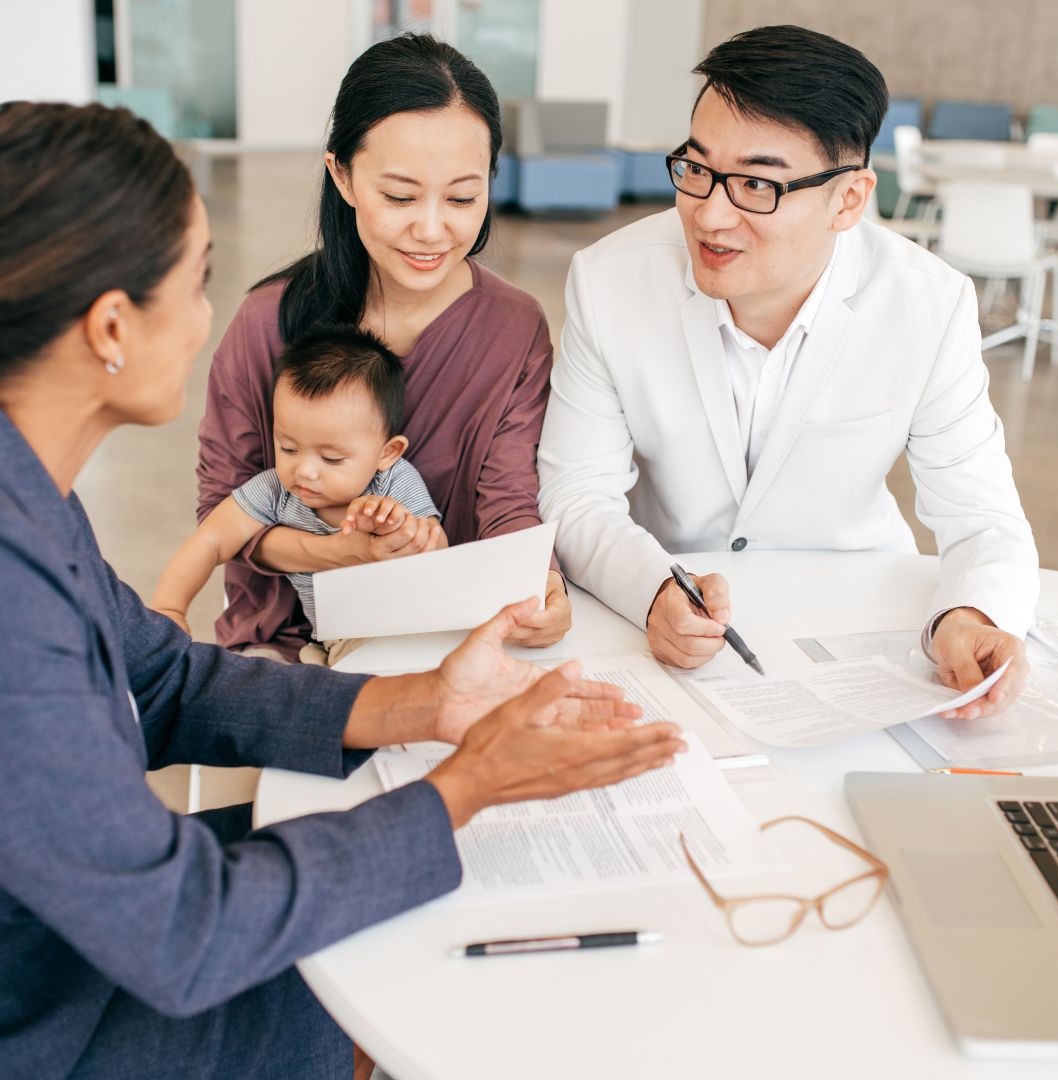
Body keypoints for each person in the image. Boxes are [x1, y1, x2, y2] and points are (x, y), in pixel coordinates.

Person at [0, 101, 685, 1080]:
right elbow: (180, 934)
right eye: (195, 283)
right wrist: (467, 785)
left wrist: (424, 702)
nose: (210, 318)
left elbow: (160, 678)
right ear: (111, 323)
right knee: (406, 951)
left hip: (91, 936)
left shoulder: (29, 495)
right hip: (60, 1021)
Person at [538, 24, 1039, 719]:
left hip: (859, 616)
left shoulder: (928, 303)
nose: (710, 215)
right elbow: (575, 492)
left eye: (756, 184)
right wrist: (652, 588)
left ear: (849, 201)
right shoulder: (609, 280)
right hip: (682, 619)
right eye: (697, 168)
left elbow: (983, 518)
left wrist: (970, 613)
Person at [199, 33, 571, 662]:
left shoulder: (515, 327)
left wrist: (543, 581)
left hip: (443, 631)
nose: (431, 229)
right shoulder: (268, 323)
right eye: (399, 197)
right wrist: (343, 553)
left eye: (462, 197)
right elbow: (223, 513)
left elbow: (508, 500)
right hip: (287, 638)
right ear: (341, 176)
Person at [153, 324, 442, 667]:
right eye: (288, 448)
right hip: (338, 642)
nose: (304, 471)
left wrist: (396, 526)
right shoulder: (275, 490)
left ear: (387, 453)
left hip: (410, 631)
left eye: (331, 458)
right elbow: (211, 540)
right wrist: (168, 608)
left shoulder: (392, 482)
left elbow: (439, 554)